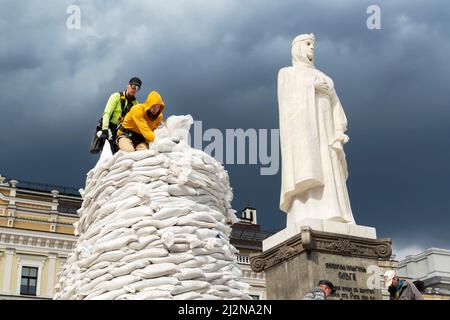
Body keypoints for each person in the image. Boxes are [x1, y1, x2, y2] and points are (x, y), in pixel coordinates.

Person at [277, 34, 355, 227]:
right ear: (298, 48)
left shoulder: (324, 77)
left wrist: (339, 129)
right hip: (304, 135)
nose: (312, 48)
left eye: (313, 45)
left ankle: (333, 212)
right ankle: (305, 213)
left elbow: (336, 105)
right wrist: (310, 86)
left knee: (329, 169)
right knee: (310, 167)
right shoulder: (287, 73)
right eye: (308, 44)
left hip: (326, 133)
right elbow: (287, 100)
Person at [99, 77, 142, 152]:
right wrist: (105, 130)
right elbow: (107, 113)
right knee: (109, 152)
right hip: (109, 128)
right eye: (133, 86)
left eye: (137, 88)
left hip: (122, 131)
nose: (135, 89)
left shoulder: (136, 104)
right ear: (128, 85)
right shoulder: (116, 96)